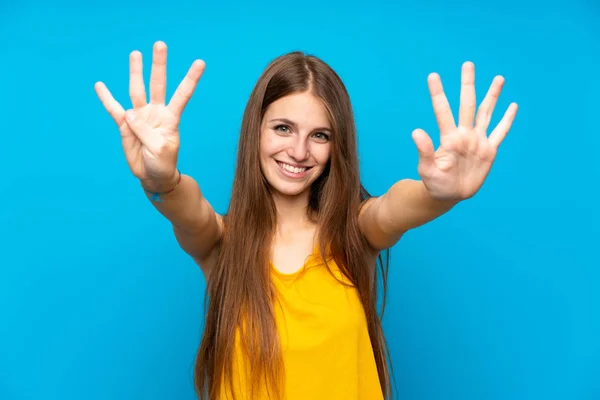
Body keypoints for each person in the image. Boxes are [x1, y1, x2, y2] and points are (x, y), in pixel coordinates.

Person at [94, 40, 518, 400]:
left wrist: (437, 194)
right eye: (282, 128)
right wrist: (162, 178)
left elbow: (394, 207)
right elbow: (189, 210)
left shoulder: (356, 232)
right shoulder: (222, 243)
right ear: (255, 131)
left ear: (337, 146)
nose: (299, 151)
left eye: (320, 135)